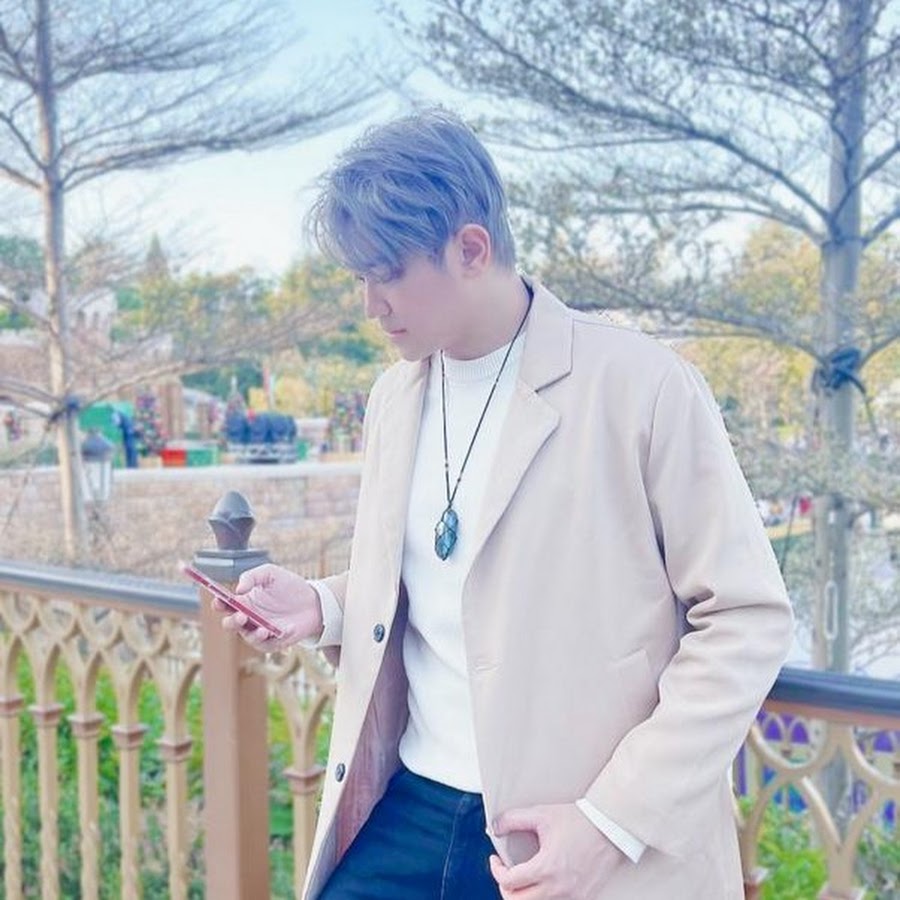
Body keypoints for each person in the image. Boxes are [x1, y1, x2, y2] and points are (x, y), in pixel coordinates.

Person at [217, 110, 794, 899]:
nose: (370, 304)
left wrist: (611, 822)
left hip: (574, 834)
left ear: (471, 248)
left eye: (387, 272)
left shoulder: (642, 385)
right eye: (360, 278)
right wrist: (323, 605)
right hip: (408, 802)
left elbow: (747, 618)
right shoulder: (394, 397)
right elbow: (450, 576)